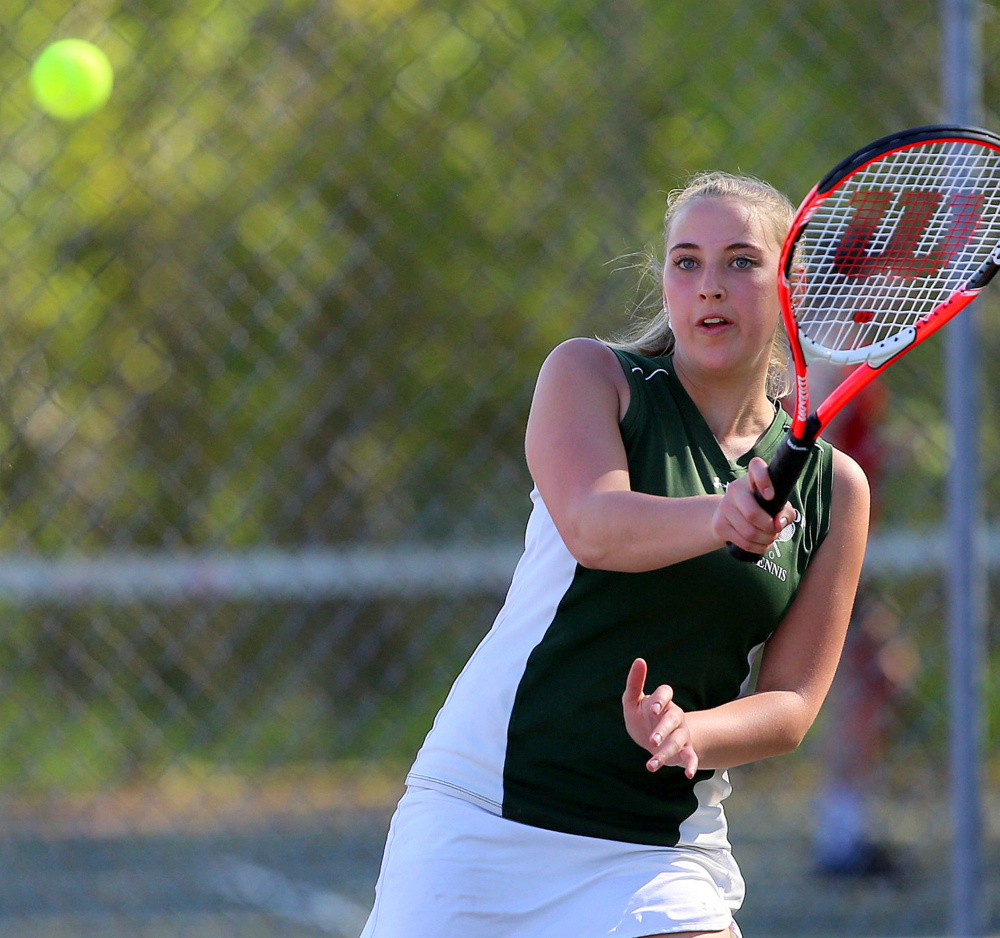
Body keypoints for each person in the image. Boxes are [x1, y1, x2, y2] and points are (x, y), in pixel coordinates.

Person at [360, 171, 870, 938]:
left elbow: (791, 704)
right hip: (486, 811)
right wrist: (722, 517)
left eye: (740, 262)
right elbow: (596, 527)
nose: (710, 287)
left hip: (655, 845)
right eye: (686, 262)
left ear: (789, 287)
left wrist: (689, 735)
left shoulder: (837, 488)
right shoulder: (591, 377)